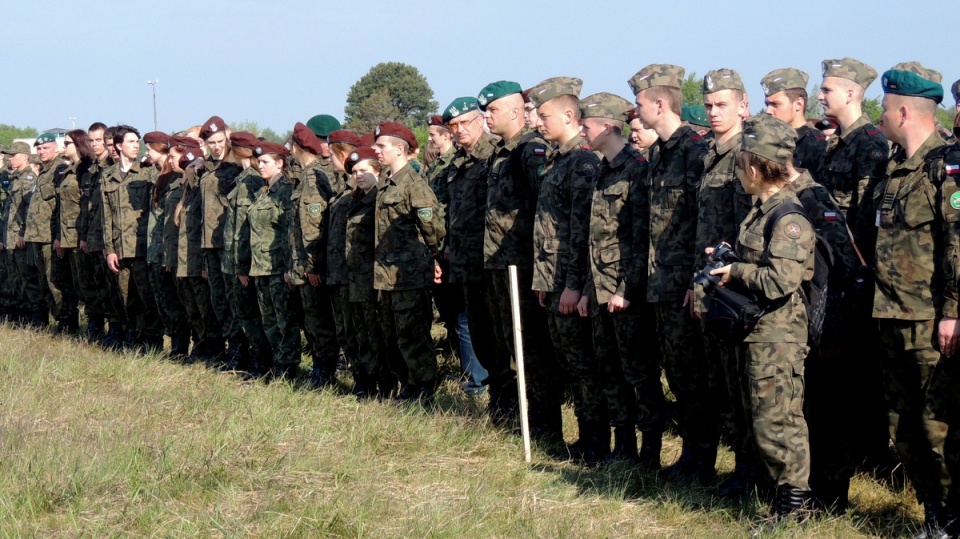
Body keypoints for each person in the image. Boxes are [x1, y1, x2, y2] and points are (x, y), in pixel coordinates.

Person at [709, 113, 815, 519]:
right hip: (757, 333)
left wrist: (735, 271)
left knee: (779, 423)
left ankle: (795, 506)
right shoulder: (761, 210)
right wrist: (730, 260)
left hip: (778, 338)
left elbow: (779, 281)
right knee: (760, 419)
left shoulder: (787, 216)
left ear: (754, 167)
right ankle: (778, 499)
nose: (739, 175)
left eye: (740, 167)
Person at [873, 65, 957, 537]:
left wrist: (954, 312)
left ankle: (953, 515)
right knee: (902, 426)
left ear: (904, 110)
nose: (881, 115)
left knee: (939, 426)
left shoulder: (944, 166)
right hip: (889, 314)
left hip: (929, 319)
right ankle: (932, 514)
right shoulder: (894, 168)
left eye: (885, 108)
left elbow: (957, 244)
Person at [629, 63, 712, 483]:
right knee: (678, 376)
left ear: (659, 103)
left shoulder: (696, 150)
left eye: (640, 102)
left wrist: (699, 280)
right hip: (659, 283)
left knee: (694, 378)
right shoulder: (658, 153)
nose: (635, 109)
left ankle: (702, 462)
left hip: (683, 286)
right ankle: (691, 457)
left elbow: (708, 221)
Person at [817, 57, 891, 497]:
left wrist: (858, 278)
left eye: (827, 90)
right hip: (829, 277)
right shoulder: (835, 144)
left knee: (858, 379)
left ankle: (870, 457)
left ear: (850, 93)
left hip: (854, 280)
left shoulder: (870, 145)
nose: (820, 96)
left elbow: (866, 222)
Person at [579, 91, 662, 466]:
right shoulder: (600, 169)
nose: (582, 129)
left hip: (624, 293)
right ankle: (623, 445)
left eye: (587, 123)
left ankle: (650, 450)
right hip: (598, 290)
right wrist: (585, 289)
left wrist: (625, 290)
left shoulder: (637, 170)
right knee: (609, 371)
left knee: (639, 375)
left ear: (607, 127)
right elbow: (593, 238)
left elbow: (641, 237)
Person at [528, 77, 603, 457]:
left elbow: (581, 230)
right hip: (552, 279)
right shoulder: (558, 160)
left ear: (569, 115)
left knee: (582, 367)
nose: (539, 122)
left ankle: (594, 442)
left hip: (569, 282)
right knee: (567, 363)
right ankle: (583, 437)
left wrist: (574, 285)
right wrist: (544, 280)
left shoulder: (584, 162)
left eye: (545, 115)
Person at [691, 69, 755, 490]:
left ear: (743, 106)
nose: (714, 113)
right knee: (719, 384)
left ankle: (751, 473)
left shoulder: (748, 154)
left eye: (722, 105)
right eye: (709, 106)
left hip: (738, 287)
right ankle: (733, 468)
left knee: (743, 388)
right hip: (711, 282)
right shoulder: (710, 154)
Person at [373, 122, 445, 402]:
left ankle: (423, 386)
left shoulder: (413, 184)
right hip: (388, 276)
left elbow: (434, 229)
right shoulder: (386, 183)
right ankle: (408, 385)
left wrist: (430, 258)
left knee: (413, 334)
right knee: (393, 336)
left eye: (382, 146)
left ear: (400, 149)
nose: (376, 150)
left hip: (409, 275)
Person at [438, 97, 495, 397]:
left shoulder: (494, 157)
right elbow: (450, 212)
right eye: (453, 126)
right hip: (462, 259)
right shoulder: (457, 164)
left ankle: (492, 384)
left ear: (481, 120)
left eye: (464, 123)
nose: (459, 131)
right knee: (469, 322)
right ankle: (480, 383)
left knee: (494, 325)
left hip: (489, 259)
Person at [102, 125, 164, 350]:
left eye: (137, 142)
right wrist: (109, 249)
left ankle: (152, 340)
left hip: (142, 247)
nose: (136, 146)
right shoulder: (107, 176)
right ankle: (133, 337)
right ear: (118, 145)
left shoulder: (147, 172)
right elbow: (106, 215)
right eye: (131, 142)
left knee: (148, 297)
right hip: (120, 248)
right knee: (126, 297)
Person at [288, 122, 341, 388]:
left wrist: (312, 265)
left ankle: (325, 372)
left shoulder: (311, 179)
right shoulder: (311, 176)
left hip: (312, 266)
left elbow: (313, 229)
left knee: (319, 320)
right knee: (313, 319)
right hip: (306, 264)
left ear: (297, 148)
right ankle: (322, 367)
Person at [243, 142, 297, 380]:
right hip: (260, 266)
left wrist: (289, 268)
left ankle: (288, 367)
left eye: (265, 162)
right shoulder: (262, 191)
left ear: (280, 163)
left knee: (285, 320)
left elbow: (289, 232)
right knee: (269, 321)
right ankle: (276, 363)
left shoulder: (285, 191)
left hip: (277, 267)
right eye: (258, 161)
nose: (260, 166)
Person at [222, 131, 271, 375]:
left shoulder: (252, 180)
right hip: (234, 260)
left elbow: (249, 228)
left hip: (246, 261)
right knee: (240, 313)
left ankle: (260, 363)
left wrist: (242, 265)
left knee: (250, 316)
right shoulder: (242, 178)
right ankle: (250, 360)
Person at [197, 116, 244, 364]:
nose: (216, 146)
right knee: (218, 299)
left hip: (229, 243)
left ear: (227, 135)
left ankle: (239, 349)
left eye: (219, 140)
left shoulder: (237, 167)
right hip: (209, 244)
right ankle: (227, 346)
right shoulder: (205, 168)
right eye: (211, 142)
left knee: (233, 298)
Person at [343, 147, 389, 397]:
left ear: (378, 171)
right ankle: (366, 383)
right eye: (355, 172)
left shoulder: (380, 199)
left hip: (374, 278)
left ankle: (384, 384)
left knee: (376, 336)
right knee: (361, 334)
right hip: (356, 280)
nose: (358, 175)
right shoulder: (357, 199)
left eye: (364, 171)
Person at [141, 132, 191, 356]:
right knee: (163, 302)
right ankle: (174, 343)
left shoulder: (181, 180)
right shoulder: (163, 178)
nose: (171, 160)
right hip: (157, 250)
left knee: (175, 303)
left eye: (150, 149)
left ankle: (181, 346)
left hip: (171, 253)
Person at [172, 136, 221, 362]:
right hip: (185, 261)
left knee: (205, 308)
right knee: (192, 307)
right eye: (187, 167)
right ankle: (201, 344)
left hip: (199, 261)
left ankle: (212, 347)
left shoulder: (202, 191)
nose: (190, 171)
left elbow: (206, 228)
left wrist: (203, 262)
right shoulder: (187, 192)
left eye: (193, 166)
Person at [23, 132, 76, 331]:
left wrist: (58, 236)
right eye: (39, 148)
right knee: (44, 281)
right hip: (38, 236)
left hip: (50, 237)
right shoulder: (44, 171)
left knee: (57, 282)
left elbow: (61, 206)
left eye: (46, 148)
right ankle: (56, 320)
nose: (41, 151)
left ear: (56, 148)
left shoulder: (59, 169)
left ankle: (67, 322)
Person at [325, 129, 362, 379]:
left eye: (332, 154)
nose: (328, 158)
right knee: (344, 330)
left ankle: (364, 378)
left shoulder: (357, 189)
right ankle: (355, 373)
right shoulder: (341, 188)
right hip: (337, 273)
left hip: (352, 274)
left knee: (356, 330)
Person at [57, 130, 98, 336]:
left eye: (67, 143)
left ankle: (95, 326)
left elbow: (86, 206)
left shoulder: (86, 168)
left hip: (80, 234)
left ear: (78, 144)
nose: (64, 147)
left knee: (87, 282)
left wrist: (83, 235)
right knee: (77, 283)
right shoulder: (71, 169)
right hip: (69, 235)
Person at [761, 68, 827, 176]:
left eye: (775, 104)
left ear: (798, 104)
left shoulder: (816, 144)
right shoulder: (770, 141)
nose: (768, 111)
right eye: (767, 105)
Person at [3, 142, 35, 326]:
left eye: (14, 154)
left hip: (20, 239)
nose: (10, 158)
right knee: (15, 279)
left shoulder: (29, 178)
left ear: (24, 156)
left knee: (27, 280)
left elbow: (29, 210)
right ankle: (19, 317)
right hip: (11, 238)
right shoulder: (16, 178)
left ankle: (31, 318)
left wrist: (23, 233)